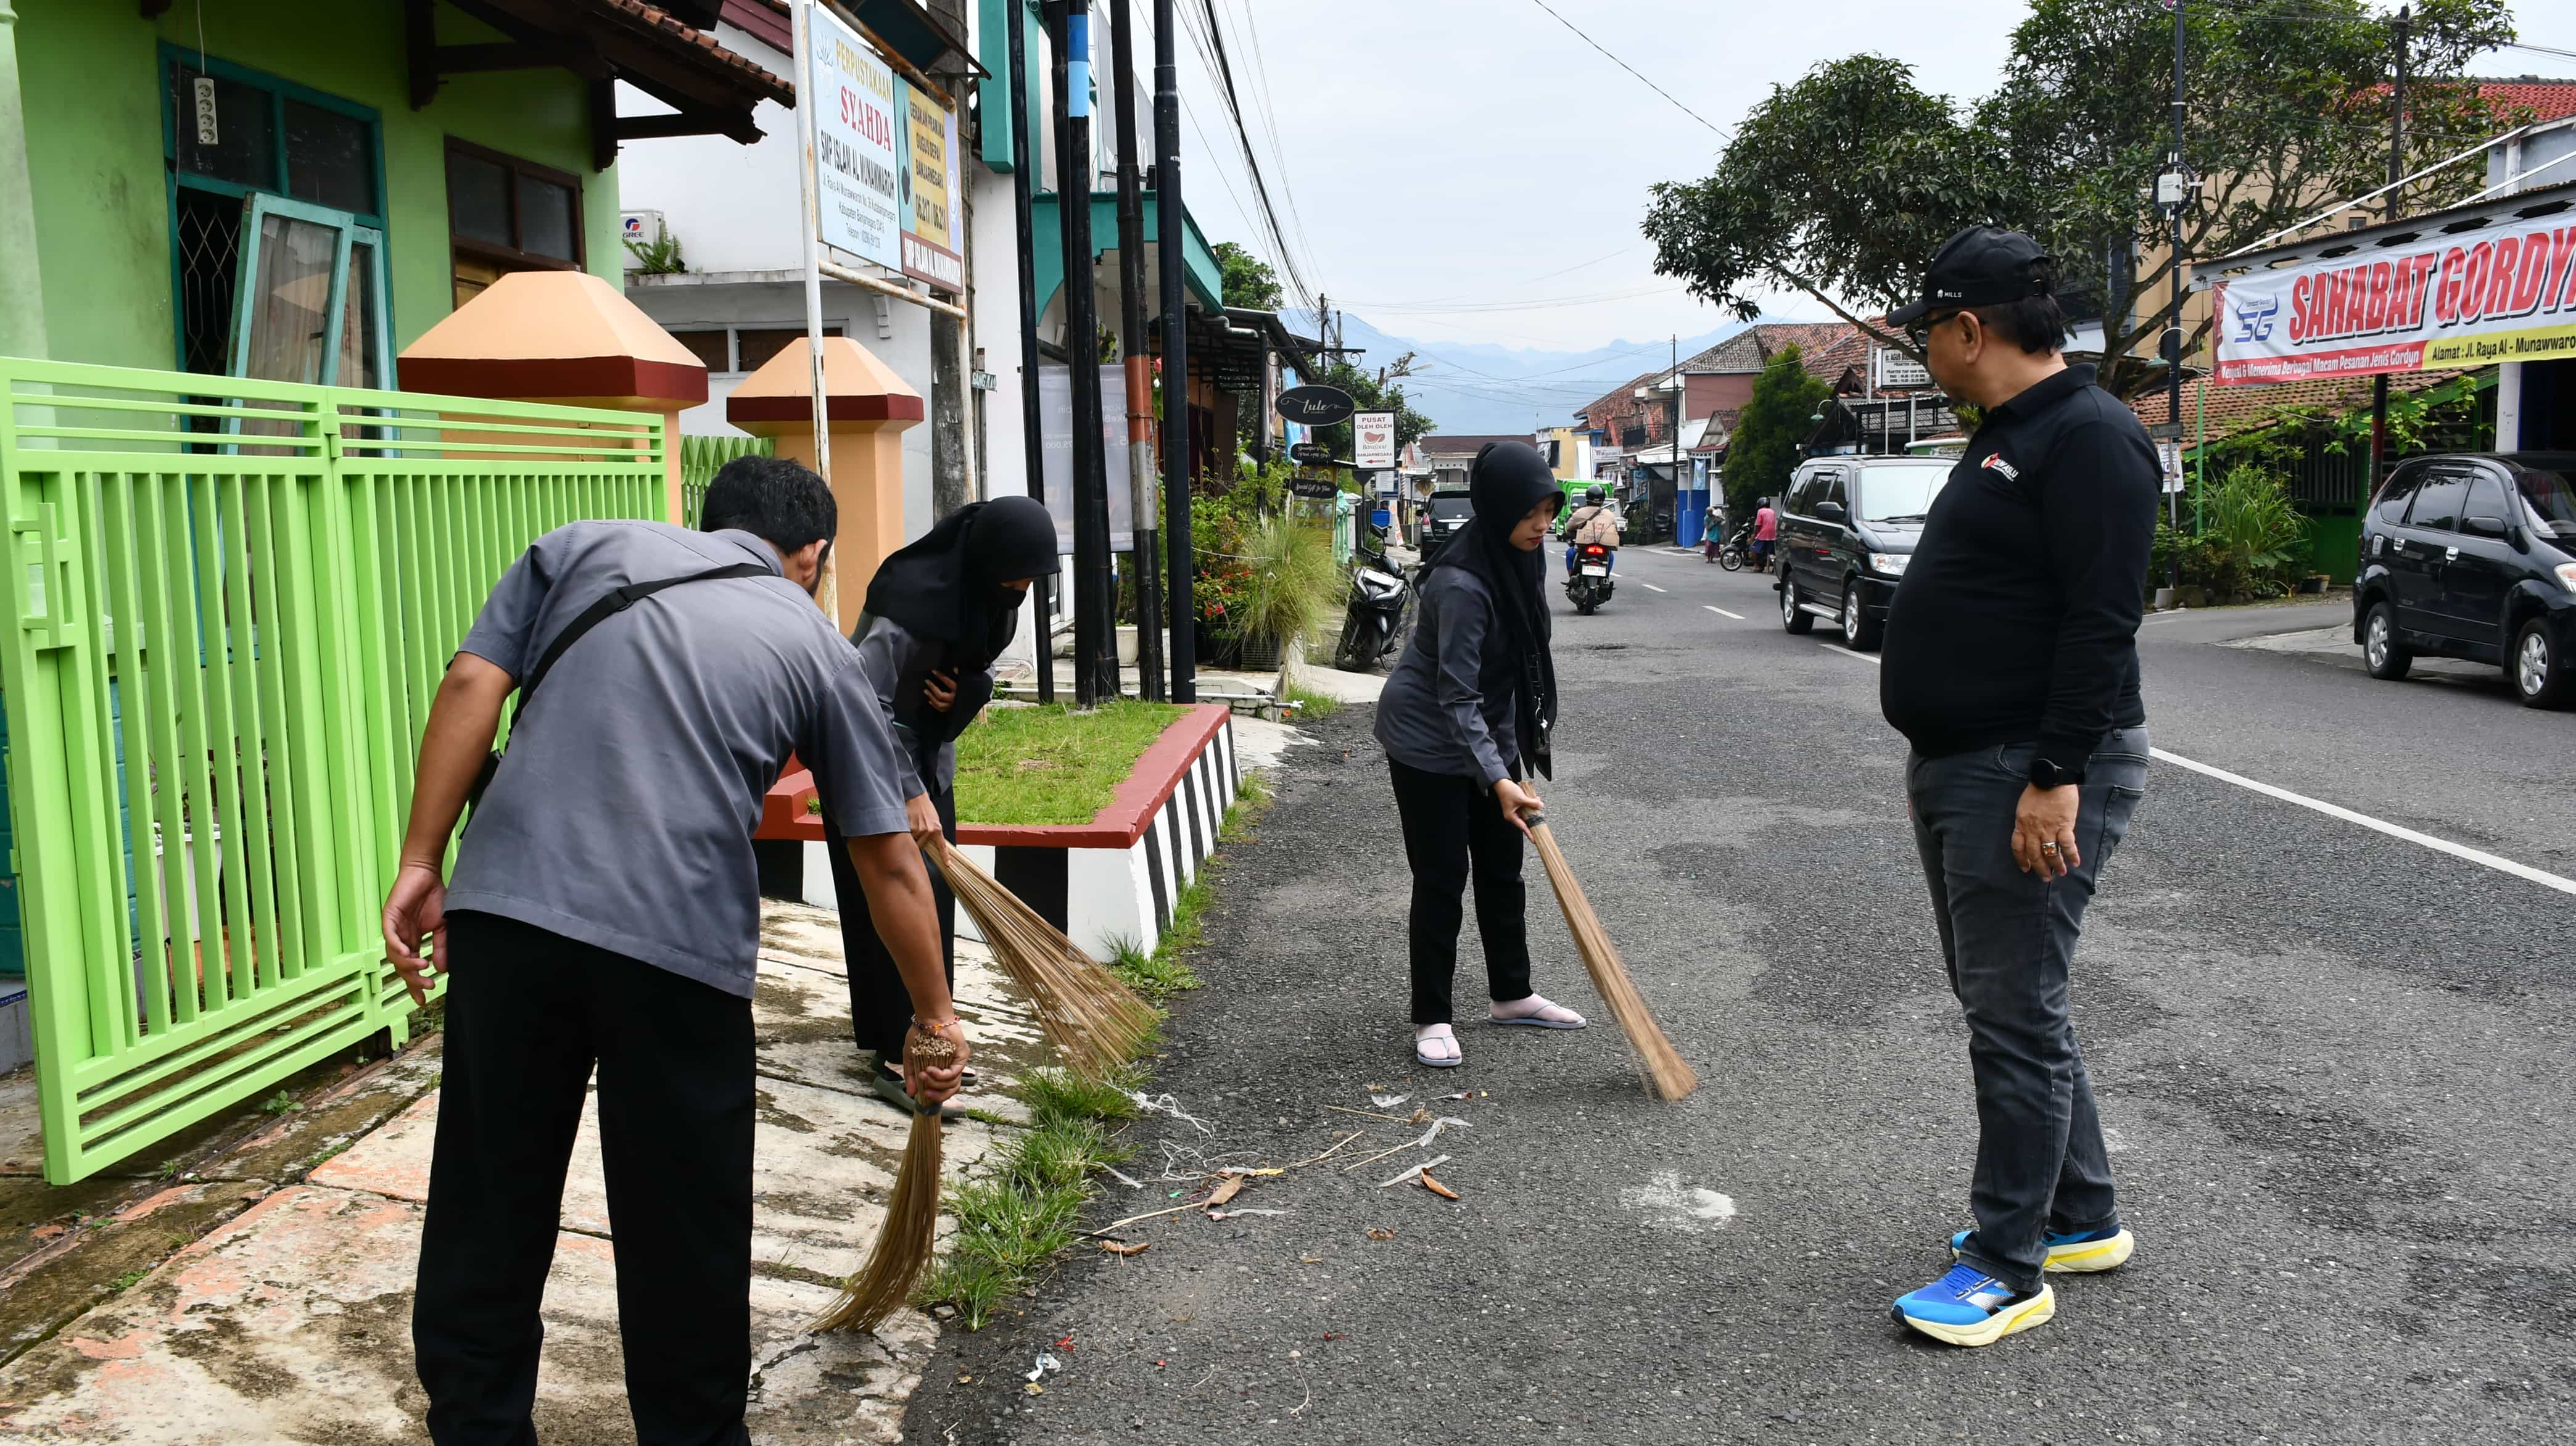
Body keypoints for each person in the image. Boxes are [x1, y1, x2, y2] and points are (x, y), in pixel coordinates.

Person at [381, 456, 970, 1443]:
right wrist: (934, 1014)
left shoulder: (582, 547)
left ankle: (477, 1428)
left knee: (488, 1204)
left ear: (709, 521)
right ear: (811, 556)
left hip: (508, 920)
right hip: (676, 955)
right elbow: (888, 862)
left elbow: (471, 681)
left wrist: (419, 859)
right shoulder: (814, 641)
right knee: (680, 1233)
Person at [1877, 225, 2158, 1348]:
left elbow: (2103, 621)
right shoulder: (2012, 429)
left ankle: (2008, 1261)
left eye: (1926, 331)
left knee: (2013, 1011)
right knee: (2011, 999)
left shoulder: (2090, 435)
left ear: (1969, 328)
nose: (1920, 351)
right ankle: (2079, 1213)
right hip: (1968, 760)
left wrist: (2055, 774)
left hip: (2021, 768)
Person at [824, 495, 1059, 1114]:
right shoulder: (909, 600)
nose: (1023, 587)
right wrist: (907, 790)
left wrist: (964, 691)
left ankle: (933, 1037)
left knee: (936, 891)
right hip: (864, 756)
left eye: (1032, 577)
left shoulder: (987, 594)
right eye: (1018, 574)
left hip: (923, 757)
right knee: (896, 888)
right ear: (986, 558)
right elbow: (861, 700)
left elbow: (973, 674)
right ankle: (897, 1054)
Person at [1374, 441, 1588, 1068]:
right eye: (1532, 514)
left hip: (1485, 727)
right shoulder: (1462, 583)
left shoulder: (1524, 556)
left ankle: (1512, 994)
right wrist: (1498, 778)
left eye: (1549, 511)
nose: (1542, 525)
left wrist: (1509, 758)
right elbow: (1455, 693)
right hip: (1425, 736)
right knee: (1442, 876)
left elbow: (1512, 666)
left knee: (1502, 867)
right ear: (1497, 510)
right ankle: (1432, 1015)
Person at [1752, 497, 1777, 572]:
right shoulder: (1772, 511)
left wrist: (1755, 535)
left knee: (1753, 549)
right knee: (1770, 551)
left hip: (1764, 533)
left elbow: (1758, 525)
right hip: (1773, 534)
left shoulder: (1760, 511)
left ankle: (1757, 566)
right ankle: (1768, 569)